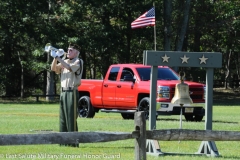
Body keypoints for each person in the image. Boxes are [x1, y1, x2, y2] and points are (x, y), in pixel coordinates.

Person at [50, 43, 83, 147]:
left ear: (76, 52)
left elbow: (69, 67)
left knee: (71, 118)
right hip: (63, 92)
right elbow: (53, 69)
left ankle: (73, 142)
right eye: (68, 50)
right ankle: (63, 142)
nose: (68, 52)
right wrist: (55, 58)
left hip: (71, 91)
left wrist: (58, 57)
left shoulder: (78, 61)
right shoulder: (65, 61)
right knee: (63, 118)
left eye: (70, 50)